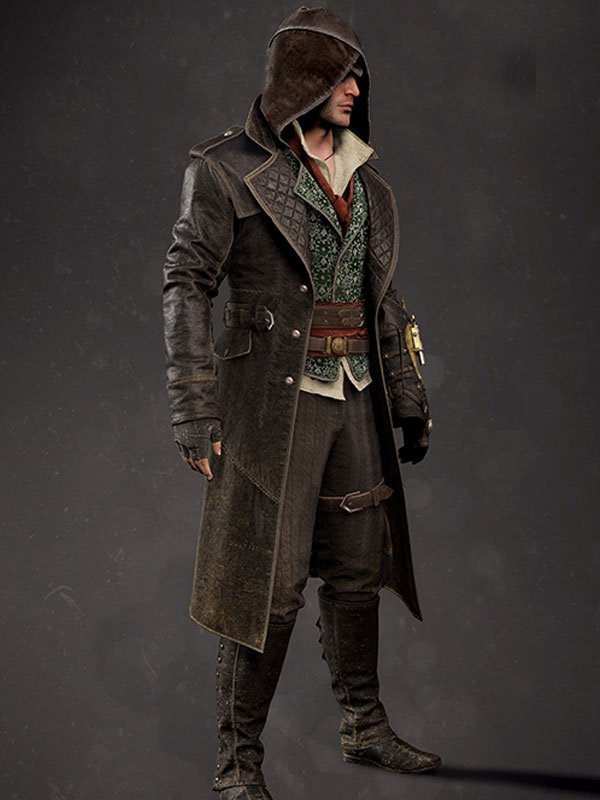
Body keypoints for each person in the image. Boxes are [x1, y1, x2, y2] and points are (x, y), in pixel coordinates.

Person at [162, 6, 440, 798]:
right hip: (273, 405)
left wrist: (406, 390)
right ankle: (236, 763)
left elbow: (379, 295)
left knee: (356, 569)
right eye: (341, 77)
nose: (355, 90)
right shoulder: (226, 169)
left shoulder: (366, 179)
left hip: (355, 397)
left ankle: (363, 725)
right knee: (269, 586)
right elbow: (187, 284)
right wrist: (193, 406)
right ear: (301, 81)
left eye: (358, 78)